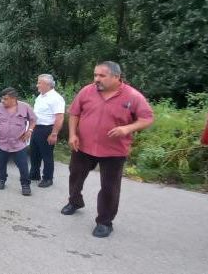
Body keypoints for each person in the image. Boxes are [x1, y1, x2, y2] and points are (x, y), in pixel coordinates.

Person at [62, 61, 154, 238]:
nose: (96, 79)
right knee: (75, 175)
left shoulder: (133, 96)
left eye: (101, 76)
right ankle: (74, 201)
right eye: (95, 75)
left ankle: (104, 222)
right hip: (83, 146)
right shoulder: (87, 91)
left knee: (109, 188)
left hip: (114, 150)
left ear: (116, 77)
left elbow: (147, 118)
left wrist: (127, 129)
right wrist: (73, 135)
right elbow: (74, 113)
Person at [0, 88, 37, 196]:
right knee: (1, 164)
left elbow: (33, 119)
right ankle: (1, 180)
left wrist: (30, 130)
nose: (2, 101)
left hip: (18, 144)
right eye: (2, 99)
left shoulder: (25, 107)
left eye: (5, 99)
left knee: (23, 166)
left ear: (13, 99)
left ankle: (25, 185)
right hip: (2, 143)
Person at [29, 74, 65, 188]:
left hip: (47, 129)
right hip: (37, 128)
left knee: (47, 155)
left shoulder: (56, 98)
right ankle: (34, 174)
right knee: (34, 153)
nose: (37, 85)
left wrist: (54, 134)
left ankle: (48, 178)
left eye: (39, 82)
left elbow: (59, 117)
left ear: (47, 84)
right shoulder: (40, 96)